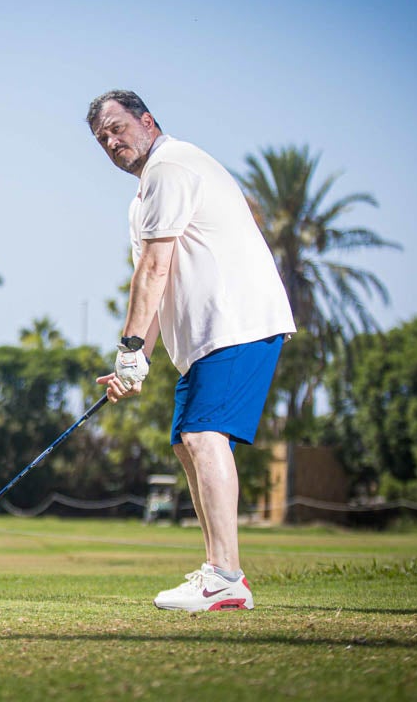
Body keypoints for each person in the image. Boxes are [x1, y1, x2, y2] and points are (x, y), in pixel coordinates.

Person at [87, 90, 295, 612]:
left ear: (147, 120)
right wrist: (134, 364)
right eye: (101, 138)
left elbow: (154, 270)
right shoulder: (142, 200)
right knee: (186, 442)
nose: (112, 142)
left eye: (117, 128)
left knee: (203, 436)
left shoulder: (171, 166)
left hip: (236, 322)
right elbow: (154, 289)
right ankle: (218, 571)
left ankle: (226, 576)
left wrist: (130, 350)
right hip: (206, 337)